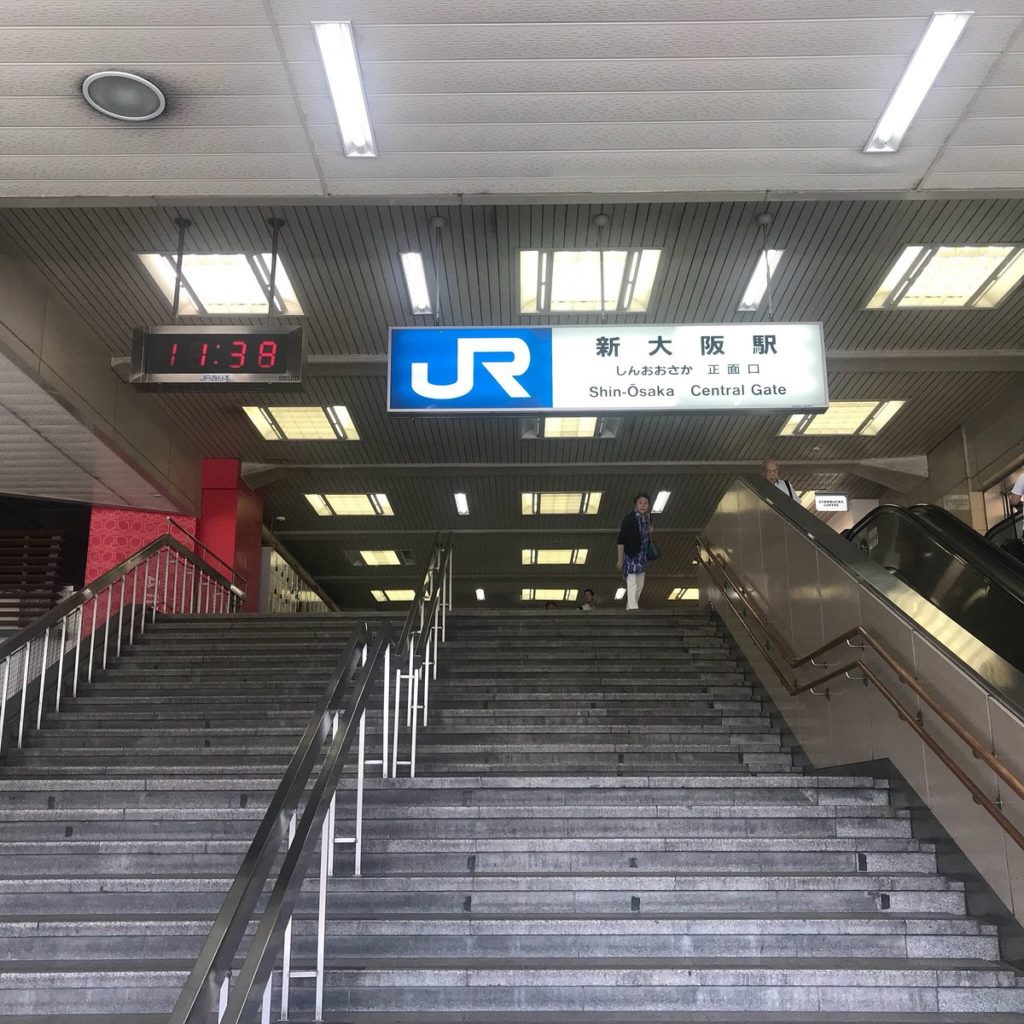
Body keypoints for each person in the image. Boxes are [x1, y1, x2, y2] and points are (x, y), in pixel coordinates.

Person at [616, 492, 653, 610]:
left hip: (642, 556)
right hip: (631, 555)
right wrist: (620, 560)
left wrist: (650, 530)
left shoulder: (648, 518)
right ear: (635, 505)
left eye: (645, 503)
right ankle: (633, 608)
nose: (643, 505)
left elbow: (646, 535)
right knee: (632, 582)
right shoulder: (629, 519)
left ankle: (630, 608)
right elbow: (621, 540)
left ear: (648, 505)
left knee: (640, 585)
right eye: (640, 503)